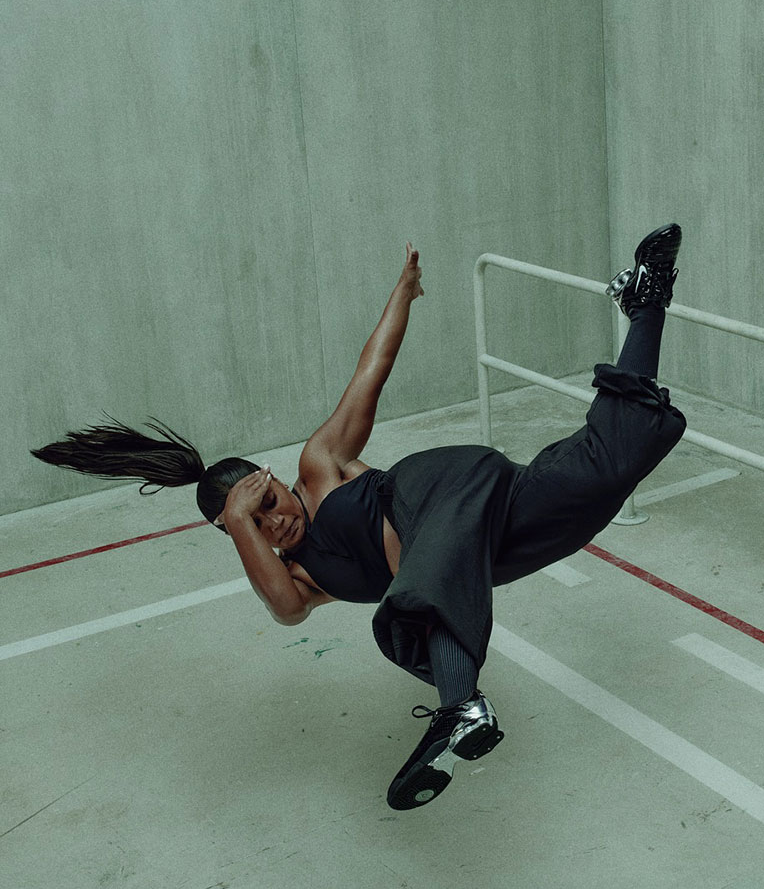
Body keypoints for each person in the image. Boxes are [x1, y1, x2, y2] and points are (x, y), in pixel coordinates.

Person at [32, 226, 686, 808]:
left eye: (267, 504)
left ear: (272, 478)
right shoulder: (302, 579)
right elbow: (285, 611)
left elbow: (372, 369)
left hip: (444, 490)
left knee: (414, 601)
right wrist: (238, 519)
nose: (275, 524)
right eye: (254, 527)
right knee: (610, 465)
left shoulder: (321, 466)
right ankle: (646, 301)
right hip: (486, 544)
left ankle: (460, 708)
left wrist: (403, 293)